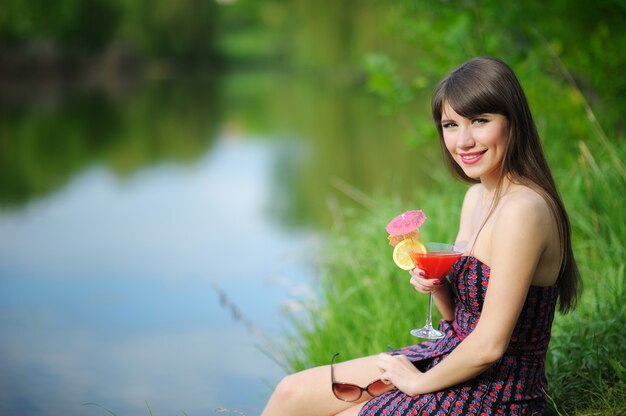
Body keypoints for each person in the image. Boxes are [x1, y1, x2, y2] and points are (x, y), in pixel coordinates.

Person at [261, 56, 581, 416]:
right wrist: (439, 284)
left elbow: (491, 345)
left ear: (513, 122)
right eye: (450, 124)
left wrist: (415, 383)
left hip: (499, 392)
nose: (464, 140)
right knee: (291, 392)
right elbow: (463, 320)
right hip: (450, 353)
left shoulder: (524, 210)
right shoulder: (476, 196)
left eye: (480, 121)